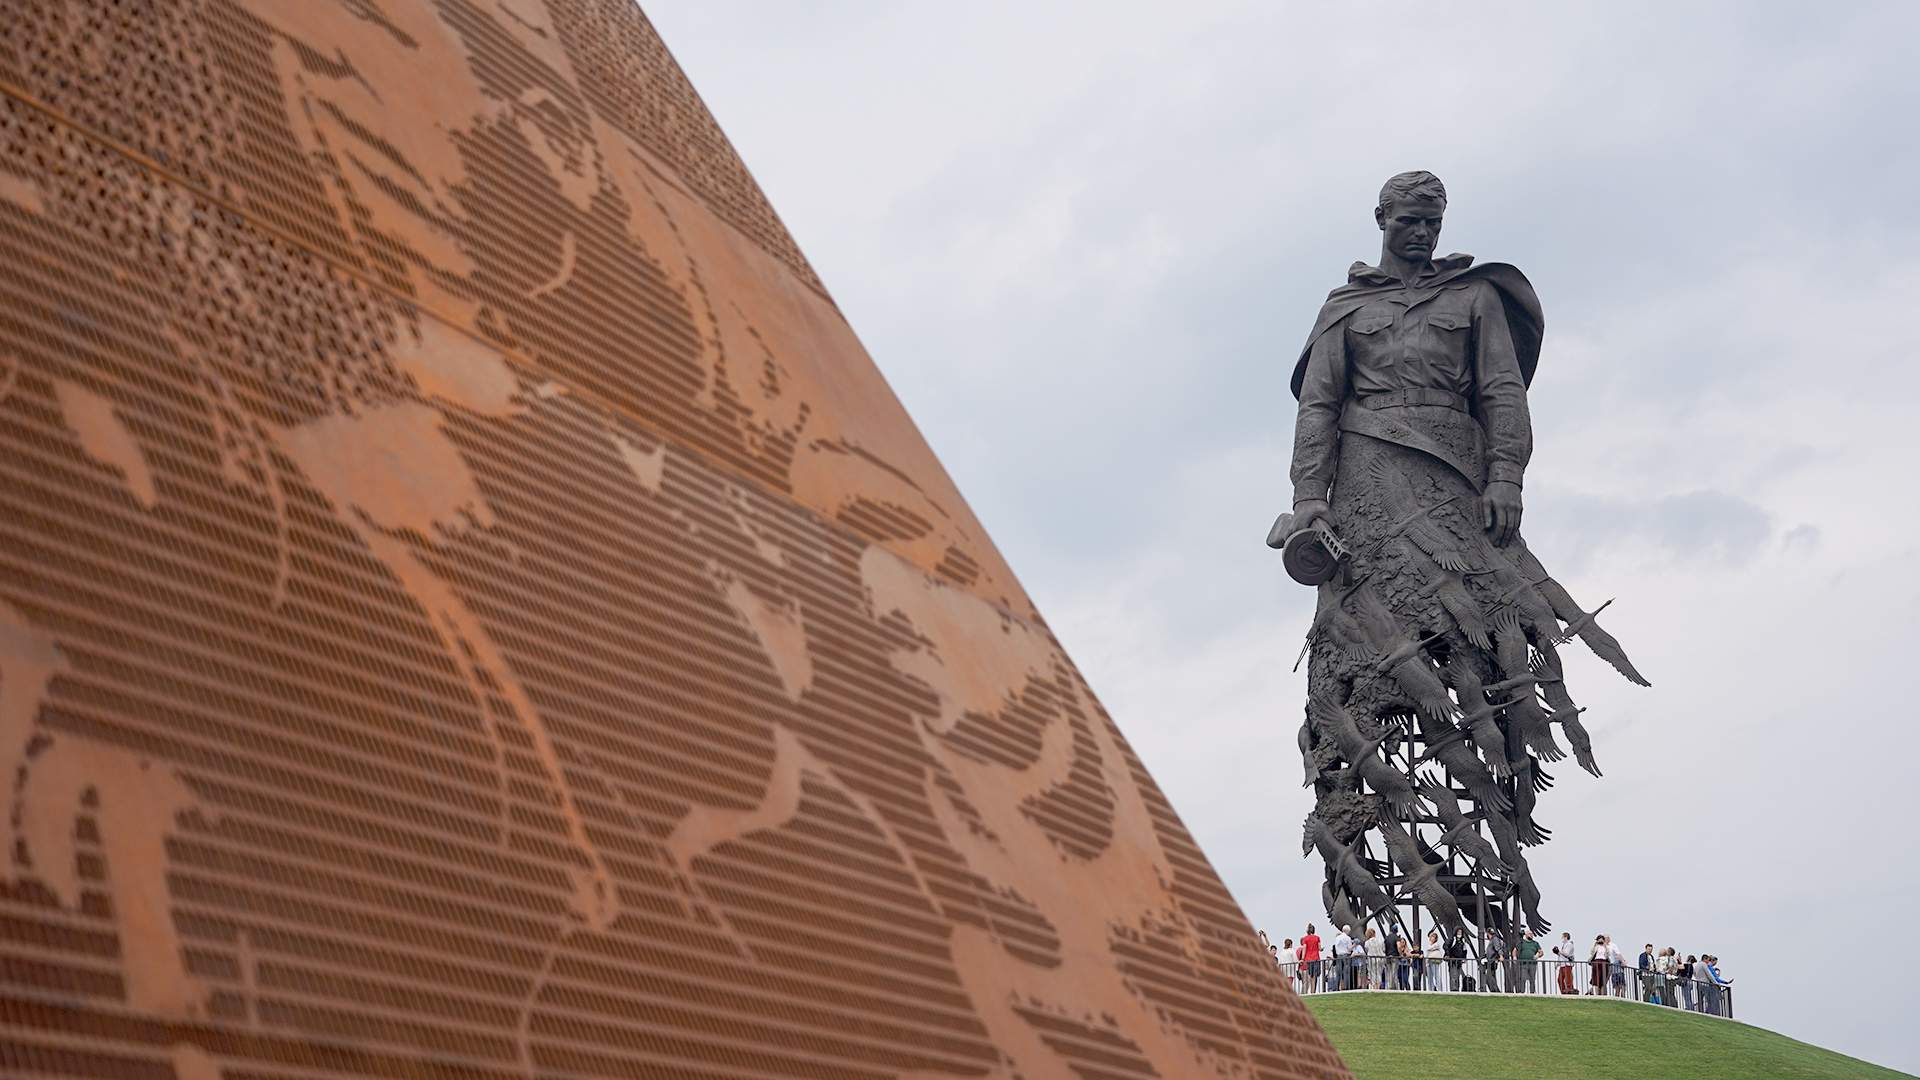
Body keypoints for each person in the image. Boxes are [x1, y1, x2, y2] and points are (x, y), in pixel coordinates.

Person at [1302, 924, 1323, 994]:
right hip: (1316, 958)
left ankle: (1311, 991)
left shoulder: (1305, 938)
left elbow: (1304, 948)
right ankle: (1313, 991)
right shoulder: (1317, 938)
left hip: (1308, 959)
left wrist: (1302, 958)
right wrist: (1322, 949)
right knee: (1314, 976)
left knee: (1310, 975)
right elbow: (1320, 948)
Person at [1332, 926, 1354, 991]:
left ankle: (1336, 987)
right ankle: (1346, 987)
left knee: (1338, 973)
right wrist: (1354, 945)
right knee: (1346, 972)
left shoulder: (1337, 938)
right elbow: (1349, 948)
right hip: (1346, 956)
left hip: (1339, 956)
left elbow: (1336, 947)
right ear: (1347, 931)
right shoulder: (1348, 938)